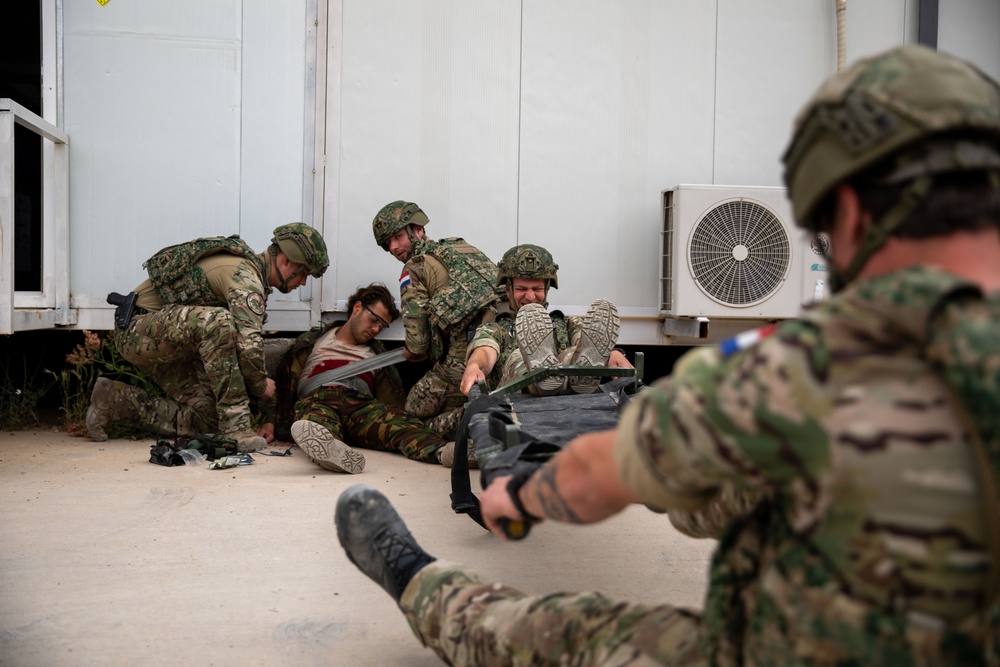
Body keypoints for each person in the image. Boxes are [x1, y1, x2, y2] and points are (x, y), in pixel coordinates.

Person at [335, 45, 1000, 665]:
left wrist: (523, 495)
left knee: (567, 622)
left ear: (850, 211)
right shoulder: (498, 313)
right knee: (751, 475)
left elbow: (603, 472)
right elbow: (488, 350)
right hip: (536, 371)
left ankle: (422, 583)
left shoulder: (815, 362)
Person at [86, 223, 329, 453]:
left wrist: (268, 417)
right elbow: (249, 348)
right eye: (303, 273)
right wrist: (259, 386)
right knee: (218, 323)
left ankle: (114, 400)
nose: (303, 282)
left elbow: (247, 353)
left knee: (209, 419)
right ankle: (236, 428)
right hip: (137, 332)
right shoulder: (245, 277)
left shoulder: (252, 280)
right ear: (286, 261)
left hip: (171, 341)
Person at [257, 283, 470, 472]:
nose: (376, 329)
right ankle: (330, 450)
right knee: (314, 423)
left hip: (361, 406)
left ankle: (447, 453)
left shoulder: (377, 354)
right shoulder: (313, 341)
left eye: (382, 326)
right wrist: (269, 421)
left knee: (403, 426)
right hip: (319, 398)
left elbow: (393, 401)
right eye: (373, 320)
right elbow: (282, 381)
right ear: (357, 308)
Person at [372, 200, 504, 438]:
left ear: (418, 229)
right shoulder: (460, 247)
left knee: (413, 412)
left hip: (464, 359)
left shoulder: (414, 268)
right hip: (501, 345)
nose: (393, 247)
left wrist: (415, 352)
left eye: (399, 237)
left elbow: (418, 344)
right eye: (388, 243)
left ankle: (478, 422)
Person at [459, 244, 632, 397]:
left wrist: (612, 354)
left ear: (546, 289)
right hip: (515, 401)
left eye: (537, 288)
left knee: (572, 353)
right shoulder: (495, 329)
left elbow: (585, 341)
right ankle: (540, 378)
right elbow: (485, 352)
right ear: (508, 290)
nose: (530, 296)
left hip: (568, 402)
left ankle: (572, 375)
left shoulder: (565, 323)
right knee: (518, 358)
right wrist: (474, 366)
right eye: (521, 289)